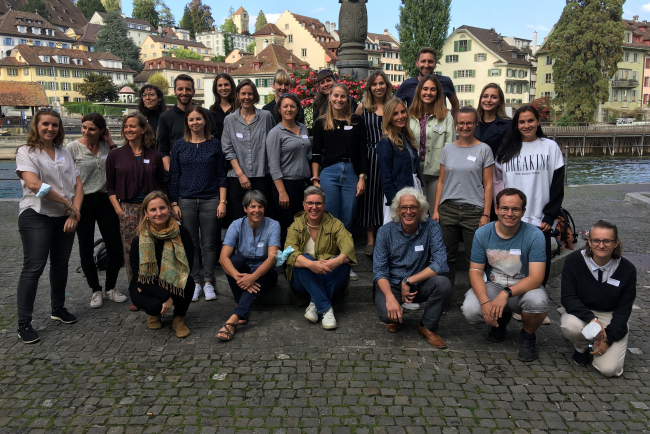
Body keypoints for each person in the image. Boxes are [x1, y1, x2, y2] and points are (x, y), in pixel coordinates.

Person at [15, 108, 83, 343]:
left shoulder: (64, 151)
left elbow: (77, 184)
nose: (50, 128)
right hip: (36, 214)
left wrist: (74, 213)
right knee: (33, 268)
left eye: (54, 125)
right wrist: (66, 202)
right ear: (36, 125)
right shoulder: (26, 152)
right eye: (45, 124)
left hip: (64, 217)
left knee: (61, 264)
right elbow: (34, 184)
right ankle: (24, 323)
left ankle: (58, 309)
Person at [460, 188, 549, 362]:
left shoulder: (535, 235)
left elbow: (536, 278)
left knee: (538, 303)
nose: (509, 213)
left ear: (523, 212)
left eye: (515, 209)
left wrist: (505, 293)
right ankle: (500, 320)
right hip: (493, 284)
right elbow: (476, 271)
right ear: (496, 209)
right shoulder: (482, 233)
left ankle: (528, 335)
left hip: (524, 286)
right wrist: (485, 302)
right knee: (471, 310)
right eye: (505, 208)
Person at [494, 105, 564, 286]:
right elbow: (498, 184)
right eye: (522, 122)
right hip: (511, 217)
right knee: (513, 265)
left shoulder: (550, 147)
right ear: (516, 125)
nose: (526, 125)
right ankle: (514, 304)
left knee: (540, 266)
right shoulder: (506, 150)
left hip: (540, 219)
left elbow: (557, 185)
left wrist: (550, 215)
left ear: (538, 122)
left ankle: (534, 307)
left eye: (530, 120)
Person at [373, 187, 452, 348]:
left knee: (444, 284)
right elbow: (379, 271)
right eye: (404, 207)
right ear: (397, 210)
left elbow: (441, 262)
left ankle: (427, 326)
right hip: (392, 283)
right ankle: (394, 314)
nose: (408, 212)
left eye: (413, 207)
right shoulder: (385, 232)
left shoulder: (432, 227)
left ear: (421, 209)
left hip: (419, 283)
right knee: (387, 316)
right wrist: (390, 298)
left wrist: (409, 281)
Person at [560, 220, 636, 377]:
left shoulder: (627, 269)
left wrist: (609, 339)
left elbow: (624, 310)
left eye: (607, 241)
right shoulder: (574, 261)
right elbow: (568, 298)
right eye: (596, 240)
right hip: (582, 313)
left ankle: (596, 343)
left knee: (610, 370)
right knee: (570, 326)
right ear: (589, 241)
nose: (601, 246)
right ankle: (582, 347)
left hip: (611, 315)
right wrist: (592, 320)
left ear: (616, 243)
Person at [66, 113, 126, 308]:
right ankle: (95, 290)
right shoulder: (73, 149)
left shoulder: (107, 146)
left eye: (91, 129)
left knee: (115, 247)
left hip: (106, 200)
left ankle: (110, 288)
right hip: (83, 201)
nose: (86, 132)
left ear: (102, 130)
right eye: (84, 127)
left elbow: (122, 165)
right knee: (85, 248)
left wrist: (110, 142)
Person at [169, 105, 227, 303]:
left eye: (198, 119)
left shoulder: (214, 144)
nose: (195, 123)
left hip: (211, 199)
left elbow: (221, 175)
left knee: (209, 243)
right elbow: (174, 176)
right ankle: (195, 282)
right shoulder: (179, 145)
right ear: (187, 122)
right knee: (190, 244)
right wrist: (173, 203)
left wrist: (222, 201)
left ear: (205, 121)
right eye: (191, 119)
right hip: (185, 200)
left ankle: (209, 281)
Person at [432, 106, 494, 289]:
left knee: (473, 257)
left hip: (474, 210)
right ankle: (444, 296)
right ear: (456, 125)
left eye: (469, 123)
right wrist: (436, 210)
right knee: (446, 256)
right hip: (448, 209)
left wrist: (486, 214)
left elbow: (488, 184)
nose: (465, 127)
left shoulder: (484, 149)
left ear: (475, 124)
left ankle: (475, 295)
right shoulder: (447, 149)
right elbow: (441, 182)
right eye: (461, 123)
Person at [106, 113, 167, 290]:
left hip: (153, 211)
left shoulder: (154, 155)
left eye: (132, 126)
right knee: (131, 251)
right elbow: (110, 187)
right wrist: (119, 211)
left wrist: (164, 208)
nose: (128, 129)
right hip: (129, 210)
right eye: (126, 126)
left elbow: (162, 184)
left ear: (142, 129)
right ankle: (136, 289)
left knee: (154, 249)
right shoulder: (115, 155)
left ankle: (157, 287)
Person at [285, 187, 356, 330]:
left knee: (343, 262)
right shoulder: (295, 226)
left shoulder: (335, 224)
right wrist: (311, 265)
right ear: (304, 205)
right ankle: (325, 308)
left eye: (318, 203)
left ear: (324, 205)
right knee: (302, 261)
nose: (314, 207)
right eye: (310, 203)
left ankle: (315, 302)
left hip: (330, 275)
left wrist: (334, 262)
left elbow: (348, 247)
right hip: (302, 280)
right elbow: (289, 253)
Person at [128, 192, 194, 338]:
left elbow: (187, 266)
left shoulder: (182, 232)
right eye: (153, 210)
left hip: (173, 278)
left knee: (188, 282)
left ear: (169, 209)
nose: (159, 213)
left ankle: (178, 319)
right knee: (154, 305)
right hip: (145, 284)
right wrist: (164, 295)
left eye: (162, 208)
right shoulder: (139, 239)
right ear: (146, 213)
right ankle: (154, 314)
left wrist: (167, 284)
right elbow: (138, 276)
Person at [218, 191, 280, 341]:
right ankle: (241, 306)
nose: (256, 210)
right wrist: (240, 277)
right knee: (235, 261)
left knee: (264, 270)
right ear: (245, 208)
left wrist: (253, 277)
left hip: (267, 273)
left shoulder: (273, 225)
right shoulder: (236, 224)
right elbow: (223, 258)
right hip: (244, 272)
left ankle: (235, 317)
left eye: (260, 206)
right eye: (252, 206)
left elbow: (272, 258)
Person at [311, 83, 369, 234]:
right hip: (329, 173)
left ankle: (345, 255)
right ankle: (331, 254)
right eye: (335, 95)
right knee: (329, 218)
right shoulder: (320, 123)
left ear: (348, 99)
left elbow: (363, 151)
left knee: (347, 219)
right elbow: (316, 154)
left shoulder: (356, 121)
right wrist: (316, 180)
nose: (339, 99)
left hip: (351, 172)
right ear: (329, 98)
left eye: (342, 96)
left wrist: (362, 178)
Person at [221, 78, 276, 223]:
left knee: (262, 218)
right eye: (243, 93)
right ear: (237, 95)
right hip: (237, 178)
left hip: (261, 176)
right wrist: (240, 174)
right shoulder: (230, 120)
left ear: (255, 96)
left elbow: (273, 144)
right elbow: (227, 148)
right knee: (238, 219)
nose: (247, 97)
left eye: (250, 94)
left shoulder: (266, 117)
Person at [355, 70, 392, 256]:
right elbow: (357, 137)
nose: (378, 87)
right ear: (370, 87)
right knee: (370, 197)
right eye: (374, 84)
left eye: (381, 83)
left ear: (387, 85)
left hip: (390, 155)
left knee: (387, 196)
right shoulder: (363, 107)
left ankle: (386, 237)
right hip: (369, 156)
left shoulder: (394, 106)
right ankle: (370, 239)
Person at [266, 93, 311, 244]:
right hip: (286, 185)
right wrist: (282, 192)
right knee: (288, 227)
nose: (289, 109)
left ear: (297, 108)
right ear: (279, 109)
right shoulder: (275, 133)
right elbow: (273, 165)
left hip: (303, 184)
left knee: (303, 225)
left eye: (292, 106)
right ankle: (287, 264)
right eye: (285, 106)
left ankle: (301, 262)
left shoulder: (303, 128)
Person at [407, 74, 455, 213]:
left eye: (433, 89)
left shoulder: (446, 116)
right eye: (425, 88)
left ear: (438, 92)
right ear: (419, 91)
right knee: (417, 212)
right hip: (414, 172)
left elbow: (449, 147)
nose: (428, 93)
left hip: (437, 173)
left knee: (436, 212)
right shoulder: (409, 114)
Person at [158, 74, 220, 171]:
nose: (184, 92)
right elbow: (163, 149)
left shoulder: (205, 114)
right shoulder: (165, 117)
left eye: (188, 89)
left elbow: (215, 142)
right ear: (174, 91)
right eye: (180, 89)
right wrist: (172, 171)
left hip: (205, 170)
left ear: (193, 92)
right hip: (178, 171)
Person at [377, 97, 422, 225]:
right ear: (388, 117)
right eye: (395, 113)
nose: (400, 116)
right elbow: (386, 179)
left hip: (413, 188)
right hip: (398, 194)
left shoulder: (407, 138)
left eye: (403, 112)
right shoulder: (385, 143)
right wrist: (395, 204)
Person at [474, 83, 511, 221]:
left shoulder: (507, 125)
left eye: (493, 97)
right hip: (474, 178)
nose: (488, 100)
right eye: (485, 96)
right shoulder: (473, 123)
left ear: (500, 101)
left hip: (497, 179)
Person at [395, 47, 459, 118]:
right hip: (414, 127)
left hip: (439, 126)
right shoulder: (407, 84)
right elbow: (393, 106)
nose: (426, 65)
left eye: (430, 61)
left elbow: (455, 104)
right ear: (417, 63)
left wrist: (452, 122)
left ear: (435, 63)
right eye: (423, 61)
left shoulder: (445, 82)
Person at [209, 73, 238, 141]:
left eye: (226, 85)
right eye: (220, 85)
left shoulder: (240, 109)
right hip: (217, 149)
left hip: (236, 149)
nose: (223, 88)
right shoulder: (212, 110)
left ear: (231, 86)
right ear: (216, 88)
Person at [137, 84, 167, 149]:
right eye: (144, 95)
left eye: (151, 94)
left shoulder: (166, 118)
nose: (147, 98)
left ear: (159, 98)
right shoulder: (138, 119)